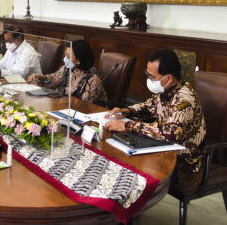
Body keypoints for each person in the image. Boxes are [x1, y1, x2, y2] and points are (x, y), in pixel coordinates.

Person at [105, 49, 206, 193]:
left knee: (130, 168)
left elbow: (170, 134)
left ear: (168, 78)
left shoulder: (184, 100)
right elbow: (148, 106)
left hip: (185, 163)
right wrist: (127, 111)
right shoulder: (165, 91)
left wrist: (128, 125)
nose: (149, 80)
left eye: (152, 77)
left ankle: (130, 207)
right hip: (162, 150)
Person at [28, 40, 107, 104]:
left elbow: (84, 105)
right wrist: (39, 77)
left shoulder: (92, 80)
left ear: (79, 61)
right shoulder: (68, 68)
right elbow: (53, 80)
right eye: (65, 55)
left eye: (68, 57)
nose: (65, 59)